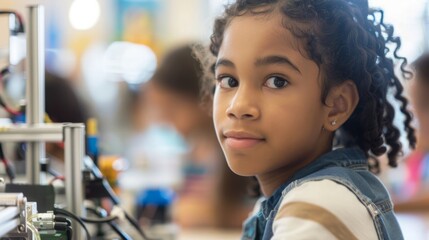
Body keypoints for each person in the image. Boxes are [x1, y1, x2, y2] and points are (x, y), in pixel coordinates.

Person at [204, 0, 416, 239]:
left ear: (336, 106)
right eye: (229, 81)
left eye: (276, 81)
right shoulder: (290, 201)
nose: (238, 107)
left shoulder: (318, 206)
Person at [144, 44, 253, 228]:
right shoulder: (200, 152)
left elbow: (265, 215)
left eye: (172, 109)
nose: (167, 121)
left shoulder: (240, 149)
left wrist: (214, 216)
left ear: (205, 97)